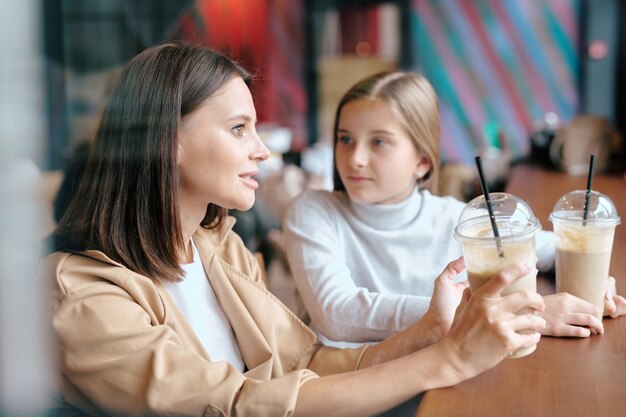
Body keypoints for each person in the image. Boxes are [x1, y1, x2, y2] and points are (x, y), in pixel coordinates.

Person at [42, 41, 549, 417]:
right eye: (240, 128)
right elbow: (238, 406)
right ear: (166, 139)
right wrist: (449, 359)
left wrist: (430, 334)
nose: (262, 150)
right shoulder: (80, 293)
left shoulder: (219, 247)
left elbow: (303, 361)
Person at [283, 71, 626, 348]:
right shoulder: (314, 210)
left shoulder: (454, 217)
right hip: (355, 388)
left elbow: (552, 246)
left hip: (442, 374)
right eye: (345, 139)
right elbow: (337, 313)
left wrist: (593, 285)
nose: (354, 158)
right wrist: (511, 311)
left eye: (378, 141)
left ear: (421, 161)